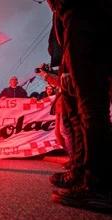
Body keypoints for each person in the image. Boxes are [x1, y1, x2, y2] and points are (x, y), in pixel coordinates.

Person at [46, 0, 112, 211]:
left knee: (90, 105)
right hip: (82, 17)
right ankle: (83, 171)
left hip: (82, 13)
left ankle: (97, 186)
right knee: (80, 106)